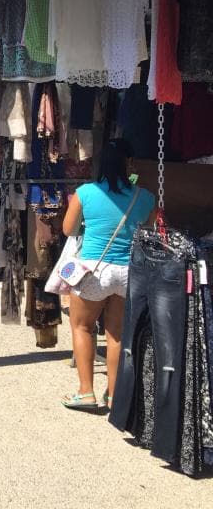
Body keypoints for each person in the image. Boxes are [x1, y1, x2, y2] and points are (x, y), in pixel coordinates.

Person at [60, 138, 156, 412]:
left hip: (94, 271)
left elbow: (68, 230)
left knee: (82, 327)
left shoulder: (85, 192)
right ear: (129, 164)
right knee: (117, 334)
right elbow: (151, 231)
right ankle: (115, 396)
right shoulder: (145, 196)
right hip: (128, 272)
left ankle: (85, 392)